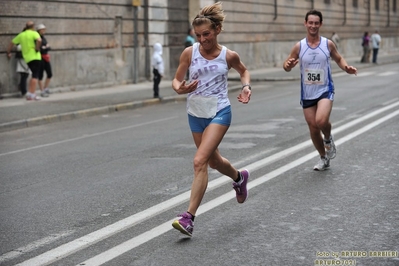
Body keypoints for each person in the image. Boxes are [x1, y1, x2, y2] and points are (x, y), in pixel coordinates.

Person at [171, 1, 251, 237]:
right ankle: (239, 177)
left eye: (206, 34)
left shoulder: (228, 55)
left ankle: (188, 218)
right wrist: (180, 89)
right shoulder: (189, 52)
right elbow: (176, 81)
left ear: (216, 30)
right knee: (214, 162)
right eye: (198, 35)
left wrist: (246, 87)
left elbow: (244, 71)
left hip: (219, 112)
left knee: (199, 162)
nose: (203, 39)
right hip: (195, 113)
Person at [283, 10, 357, 171]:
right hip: (307, 92)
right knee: (313, 128)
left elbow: (338, 58)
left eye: (316, 23)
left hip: (325, 89)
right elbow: (287, 64)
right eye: (310, 22)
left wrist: (346, 68)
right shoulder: (299, 46)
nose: (313, 26)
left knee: (321, 121)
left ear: (320, 24)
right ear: (305, 23)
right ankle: (324, 158)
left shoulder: (327, 44)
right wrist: (287, 66)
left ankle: (328, 138)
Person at [7, 21, 42, 101]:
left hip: (27, 58)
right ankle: (32, 94)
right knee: (35, 76)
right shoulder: (34, 33)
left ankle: (30, 93)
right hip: (35, 56)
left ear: (26, 27)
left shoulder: (21, 35)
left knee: (32, 74)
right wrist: (37, 48)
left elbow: (11, 43)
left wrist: (8, 52)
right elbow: (39, 40)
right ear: (33, 27)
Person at [37, 24, 52, 97]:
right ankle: (42, 90)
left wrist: (45, 47)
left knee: (50, 73)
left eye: (44, 30)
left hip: (46, 57)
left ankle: (45, 88)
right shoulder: (37, 38)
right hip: (40, 58)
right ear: (39, 30)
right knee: (40, 75)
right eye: (42, 30)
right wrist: (45, 47)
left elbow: (48, 47)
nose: (44, 31)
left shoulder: (44, 38)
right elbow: (40, 49)